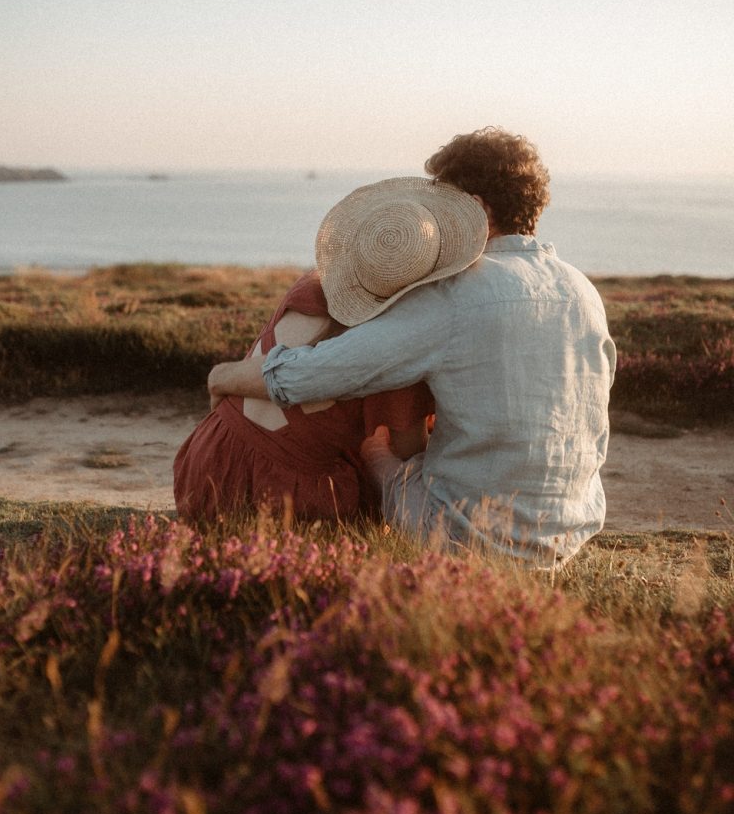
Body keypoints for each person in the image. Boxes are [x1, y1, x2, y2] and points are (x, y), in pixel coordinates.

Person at [207, 128, 616, 565]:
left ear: (477, 210)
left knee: (376, 447)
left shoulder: (456, 294)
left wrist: (223, 376)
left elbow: (318, 375)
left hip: (467, 535)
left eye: (448, 208)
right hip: (569, 531)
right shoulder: (582, 290)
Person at [175, 176, 488, 523]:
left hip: (210, 456)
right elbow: (408, 455)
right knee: (380, 465)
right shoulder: (396, 349)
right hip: (277, 491)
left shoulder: (311, 288)